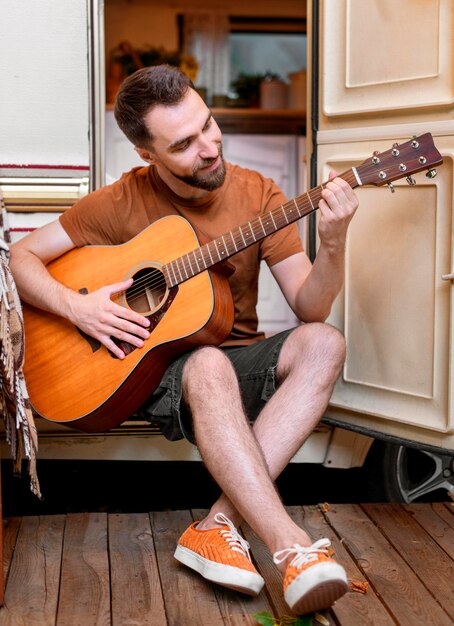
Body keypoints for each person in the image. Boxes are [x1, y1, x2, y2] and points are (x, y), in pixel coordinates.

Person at [10, 65, 358, 615]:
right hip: (151, 372)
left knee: (324, 342)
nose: (209, 147)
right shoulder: (118, 203)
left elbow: (310, 307)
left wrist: (334, 243)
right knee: (203, 362)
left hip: (236, 359)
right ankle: (290, 546)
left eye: (209, 125)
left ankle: (218, 524)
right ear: (148, 155)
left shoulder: (259, 195)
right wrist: (78, 307)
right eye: (184, 143)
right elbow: (21, 257)